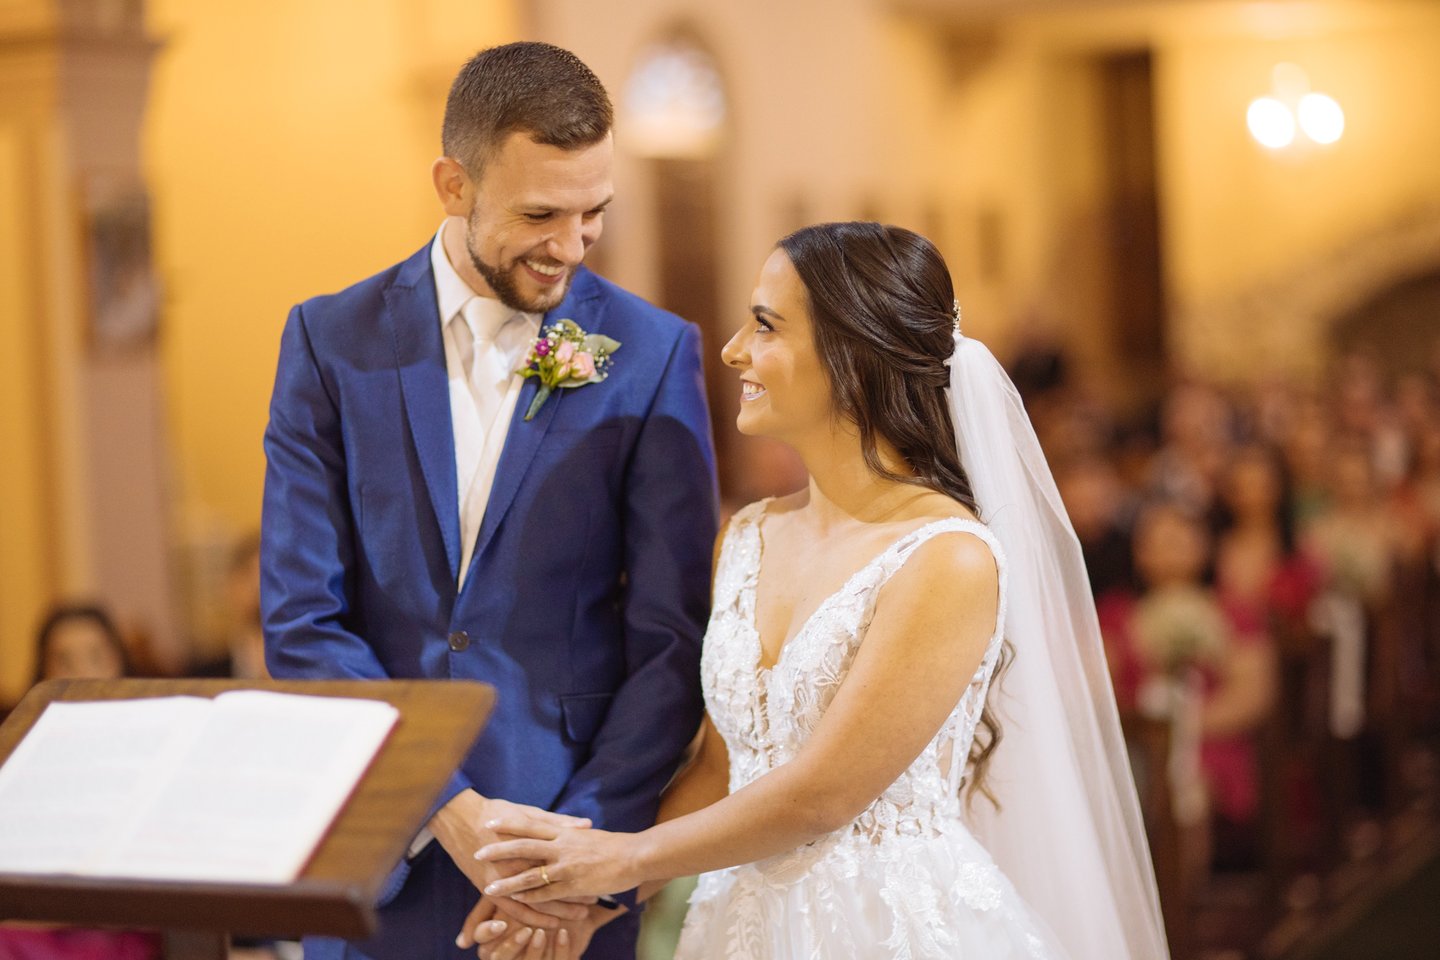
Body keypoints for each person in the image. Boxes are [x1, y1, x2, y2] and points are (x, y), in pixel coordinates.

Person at [467, 223, 1169, 959]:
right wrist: (594, 902)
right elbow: (721, 771)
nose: (733, 350)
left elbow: (824, 795)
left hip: (887, 931)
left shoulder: (947, 557)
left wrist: (619, 857)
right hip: (744, 927)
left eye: (765, 325)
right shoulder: (747, 536)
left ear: (852, 353)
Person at [260, 42, 718, 960]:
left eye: (594, 213)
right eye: (540, 214)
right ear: (453, 185)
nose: (570, 247)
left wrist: (574, 861)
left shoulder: (652, 353)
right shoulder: (329, 342)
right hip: (376, 860)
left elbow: (672, 642)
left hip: (564, 873)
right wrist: (447, 807)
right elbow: (303, 621)